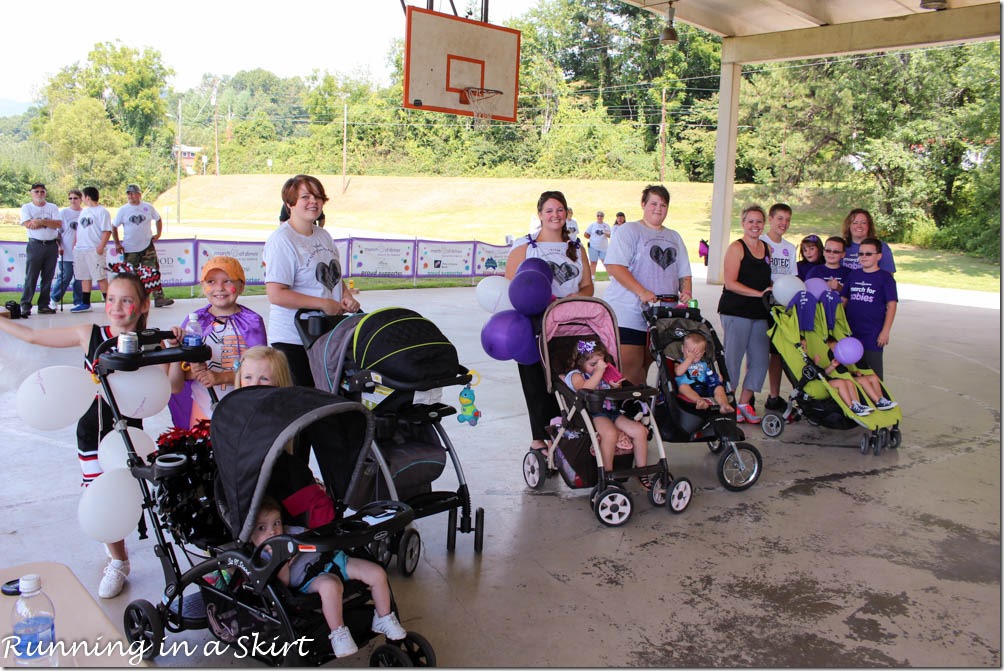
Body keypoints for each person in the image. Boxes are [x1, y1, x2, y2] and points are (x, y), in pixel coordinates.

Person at [0, 272, 161, 598]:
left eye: (126, 300)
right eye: (111, 299)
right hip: (91, 433)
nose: (117, 307)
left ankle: (122, 545)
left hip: (129, 436)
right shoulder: (90, 333)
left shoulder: (152, 341)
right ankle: (118, 560)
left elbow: (168, 387)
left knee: (128, 493)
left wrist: (176, 345)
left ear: (143, 305)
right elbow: (32, 337)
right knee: (99, 494)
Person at [251, 496, 407, 658]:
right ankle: (338, 633)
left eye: (276, 523)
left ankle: (383, 618)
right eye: (262, 528)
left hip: (335, 560)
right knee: (331, 586)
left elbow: (314, 537)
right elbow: (284, 583)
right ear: (250, 536)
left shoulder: (291, 531)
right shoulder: (262, 556)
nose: (273, 531)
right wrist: (282, 558)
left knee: (377, 573)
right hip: (310, 578)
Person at [506, 190, 593, 452]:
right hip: (534, 324)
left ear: (567, 213)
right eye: (549, 210)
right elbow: (512, 287)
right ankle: (538, 437)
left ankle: (571, 430)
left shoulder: (577, 248)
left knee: (570, 379)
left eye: (560, 210)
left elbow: (588, 286)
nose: (555, 215)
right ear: (540, 214)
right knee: (536, 381)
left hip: (571, 321)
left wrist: (577, 296)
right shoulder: (525, 247)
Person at [263, 175, 359, 387]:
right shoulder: (282, 241)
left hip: (325, 336)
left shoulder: (323, 236)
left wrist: (345, 296)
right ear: (290, 204)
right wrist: (323, 304)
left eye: (317, 196)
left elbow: (333, 279)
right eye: (305, 196)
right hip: (294, 339)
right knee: (304, 403)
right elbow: (276, 294)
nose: (313, 201)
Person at [604, 184, 692, 385]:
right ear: (643, 204)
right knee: (630, 367)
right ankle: (639, 410)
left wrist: (686, 291)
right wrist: (641, 291)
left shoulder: (674, 237)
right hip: (629, 313)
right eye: (653, 203)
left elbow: (684, 273)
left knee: (647, 364)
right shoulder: (630, 230)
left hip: (662, 316)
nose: (658, 208)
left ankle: (645, 409)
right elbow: (615, 266)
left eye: (663, 204)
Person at [167, 256, 267, 427]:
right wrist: (193, 369)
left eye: (228, 281)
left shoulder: (252, 322)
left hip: (243, 407)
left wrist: (221, 377)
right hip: (202, 405)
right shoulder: (195, 322)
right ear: (203, 286)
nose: (219, 288)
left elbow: (262, 372)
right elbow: (179, 378)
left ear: (241, 286)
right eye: (211, 281)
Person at [563, 339, 650, 485]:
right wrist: (599, 372)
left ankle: (642, 471)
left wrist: (615, 386)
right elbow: (584, 390)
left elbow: (615, 392)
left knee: (640, 430)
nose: (598, 367)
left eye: (601, 362)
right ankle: (607, 474)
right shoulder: (576, 375)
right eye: (593, 364)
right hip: (593, 413)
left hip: (613, 411)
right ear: (580, 363)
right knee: (610, 434)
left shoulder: (604, 373)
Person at [717, 204, 772, 424]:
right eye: (751, 221)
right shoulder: (736, 248)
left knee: (759, 360)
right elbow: (730, 283)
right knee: (733, 359)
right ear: (743, 223)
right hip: (736, 311)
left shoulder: (767, 249)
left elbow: (766, 280)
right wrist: (759, 294)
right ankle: (727, 404)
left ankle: (744, 403)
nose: (755, 225)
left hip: (760, 313)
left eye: (759, 221)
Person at [840, 237, 898, 380]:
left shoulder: (885, 278)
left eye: (868, 254)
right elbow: (843, 300)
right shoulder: (854, 275)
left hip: (872, 334)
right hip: (851, 331)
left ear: (879, 256)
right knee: (854, 372)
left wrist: (885, 332)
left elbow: (892, 305)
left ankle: (879, 400)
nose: (864, 257)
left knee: (874, 373)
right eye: (861, 254)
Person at [111, 184, 174, 307]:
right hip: (130, 247)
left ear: (139, 194)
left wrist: (158, 233)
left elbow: (158, 219)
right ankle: (130, 298)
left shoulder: (148, 207)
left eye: (133, 193)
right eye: (128, 193)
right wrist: (117, 243)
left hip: (147, 245)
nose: (130, 196)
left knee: (153, 271)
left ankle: (159, 298)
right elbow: (114, 226)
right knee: (130, 275)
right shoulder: (123, 210)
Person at [761, 203, 796, 413]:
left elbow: (793, 276)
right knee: (758, 351)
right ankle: (746, 396)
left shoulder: (790, 248)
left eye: (787, 220)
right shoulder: (760, 243)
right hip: (762, 302)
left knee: (777, 353)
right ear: (771, 219)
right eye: (780, 218)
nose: (783, 223)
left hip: (782, 305)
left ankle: (774, 395)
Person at [815, 337, 898, 414]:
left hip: (847, 377)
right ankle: (874, 402)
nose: (837, 351)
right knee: (860, 380)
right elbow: (826, 372)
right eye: (834, 349)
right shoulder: (827, 358)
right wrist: (832, 365)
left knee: (873, 377)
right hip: (839, 379)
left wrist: (853, 372)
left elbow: (843, 371)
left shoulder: (842, 358)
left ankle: (881, 399)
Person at [19, 182, 62, 317]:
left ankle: (43, 305)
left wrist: (41, 221)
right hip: (35, 245)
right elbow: (29, 225)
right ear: (31, 193)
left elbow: (58, 224)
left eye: (42, 191)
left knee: (48, 277)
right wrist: (47, 222)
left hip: (51, 245)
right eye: (36, 191)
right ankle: (25, 305)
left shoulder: (52, 207)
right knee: (31, 277)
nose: (39, 194)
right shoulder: (27, 208)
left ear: (45, 193)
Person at [71, 187, 113, 314]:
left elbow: (107, 230)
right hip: (81, 249)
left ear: (88, 197)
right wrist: (76, 243)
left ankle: (109, 304)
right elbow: (80, 230)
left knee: (100, 276)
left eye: (82, 196)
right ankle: (85, 302)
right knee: (84, 276)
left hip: (94, 249)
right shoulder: (84, 212)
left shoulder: (102, 212)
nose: (81, 198)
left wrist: (101, 246)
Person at [674, 333, 734, 414]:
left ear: (702, 353)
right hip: (690, 387)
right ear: (682, 349)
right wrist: (689, 359)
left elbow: (709, 374)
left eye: (697, 354)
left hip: (705, 387)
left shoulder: (703, 364)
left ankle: (724, 405)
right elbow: (678, 372)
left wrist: (717, 376)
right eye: (689, 352)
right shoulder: (679, 362)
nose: (693, 356)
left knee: (719, 388)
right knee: (683, 387)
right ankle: (700, 401)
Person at [51, 188, 85, 310]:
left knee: (80, 278)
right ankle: (54, 299)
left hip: (81, 251)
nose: (73, 200)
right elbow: (58, 233)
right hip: (66, 251)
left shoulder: (85, 213)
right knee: (65, 276)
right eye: (70, 198)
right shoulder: (64, 213)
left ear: (81, 199)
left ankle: (79, 301)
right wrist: (60, 246)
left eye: (75, 198)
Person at [841, 209, 896, 274]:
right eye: (855, 223)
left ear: (869, 226)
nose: (859, 226)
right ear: (848, 226)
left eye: (863, 223)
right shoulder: (840, 246)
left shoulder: (881, 247)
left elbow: (888, 277)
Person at [583, 211, 611, 279]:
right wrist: (593, 238)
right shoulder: (592, 225)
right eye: (598, 216)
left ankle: (611, 278)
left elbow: (610, 235)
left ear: (603, 217)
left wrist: (605, 232)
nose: (599, 217)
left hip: (604, 248)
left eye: (601, 216)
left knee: (606, 263)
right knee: (593, 262)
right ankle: (592, 278)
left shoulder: (606, 225)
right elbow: (585, 234)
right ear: (596, 217)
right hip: (593, 247)